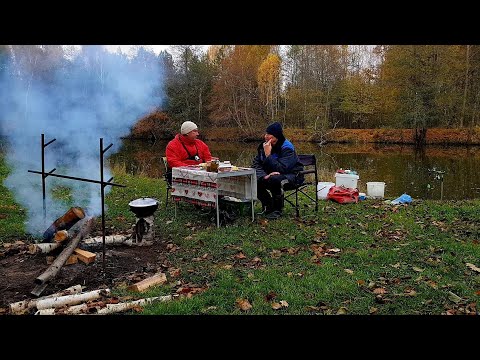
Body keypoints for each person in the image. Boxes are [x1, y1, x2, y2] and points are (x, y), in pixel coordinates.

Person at [252, 122, 304, 220]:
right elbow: (256, 165)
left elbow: (282, 168)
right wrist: (264, 176)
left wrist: (268, 155)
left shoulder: (287, 148)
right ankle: (268, 205)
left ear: (276, 136)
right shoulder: (264, 147)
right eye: (266, 134)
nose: (266, 136)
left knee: (275, 179)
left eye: (269, 134)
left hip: (293, 176)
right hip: (271, 175)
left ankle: (277, 210)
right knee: (252, 178)